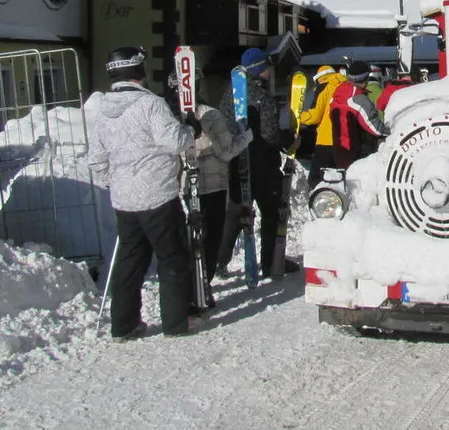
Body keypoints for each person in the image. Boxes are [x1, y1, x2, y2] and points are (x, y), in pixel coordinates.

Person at [88, 46, 200, 340]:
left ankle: (123, 325)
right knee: (172, 258)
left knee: (130, 260)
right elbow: (174, 141)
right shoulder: (151, 104)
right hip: (158, 196)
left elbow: (96, 160)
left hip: (125, 201)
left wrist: (115, 183)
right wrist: (190, 131)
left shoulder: (102, 111)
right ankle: (176, 324)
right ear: (139, 72)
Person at [167, 69, 250, 304]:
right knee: (210, 238)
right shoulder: (210, 114)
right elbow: (225, 152)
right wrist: (246, 137)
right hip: (212, 185)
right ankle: (203, 284)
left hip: (184, 185)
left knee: (192, 236)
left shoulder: (167, 116)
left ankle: (189, 285)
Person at [220, 47, 297, 278]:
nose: (271, 71)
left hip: (237, 161)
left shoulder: (230, 93)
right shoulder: (261, 95)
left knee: (235, 212)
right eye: (268, 67)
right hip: (262, 163)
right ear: (260, 69)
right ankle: (270, 262)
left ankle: (218, 260)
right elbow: (270, 133)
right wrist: (289, 140)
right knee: (271, 211)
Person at [329, 60, 387, 169]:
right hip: (353, 152)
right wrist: (392, 130)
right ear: (365, 78)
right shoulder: (357, 98)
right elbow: (376, 129)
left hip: (340, 149)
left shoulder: (340, 90)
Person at [298, 65, 346, 188]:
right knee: (338, 177)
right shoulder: (345, 85)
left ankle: (318, 203)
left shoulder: (324, 87)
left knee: (316, 179)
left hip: (326, 139)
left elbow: (315, 116)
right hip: (345, 140)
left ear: (320, 78)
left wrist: (299, 116)